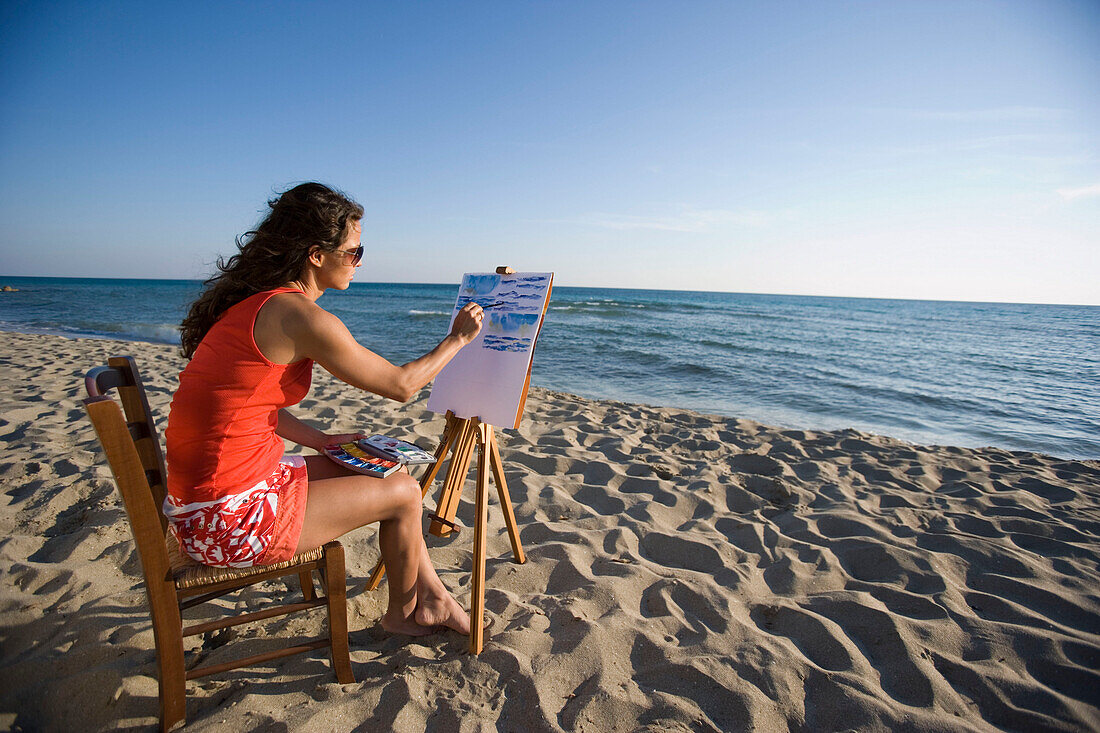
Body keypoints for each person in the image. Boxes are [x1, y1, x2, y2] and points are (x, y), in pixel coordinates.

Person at [164, 182, 482, 636]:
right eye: (354, 251)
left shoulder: (264, 305)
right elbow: (401, 385)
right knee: (406, 493)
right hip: (223, 519)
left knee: (390, 474)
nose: (359, 261)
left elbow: (251, 408)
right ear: (316, 254)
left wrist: (320, 440)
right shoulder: (300, 317)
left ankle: (429, 600)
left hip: (207, 496)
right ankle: (403, 615)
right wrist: (459, 338)